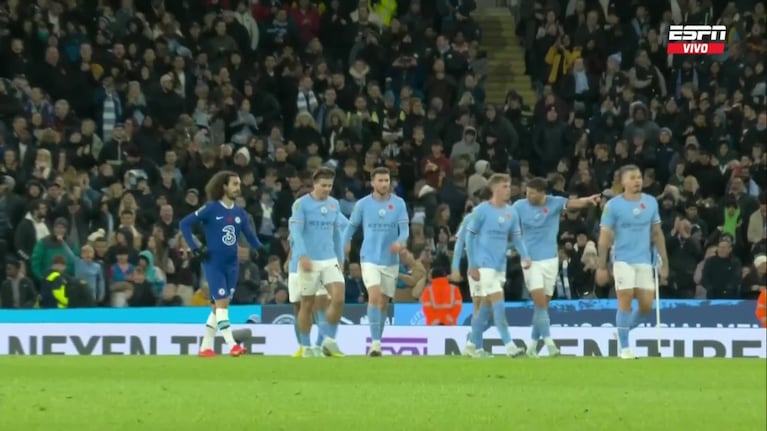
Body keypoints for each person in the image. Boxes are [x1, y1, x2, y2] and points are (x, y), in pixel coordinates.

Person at [512, 177, 601, 357]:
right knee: (539, 302)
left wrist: (587, 201)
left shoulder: (554, 203)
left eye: (532, 193)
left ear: (542, 193)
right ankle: (550, 345)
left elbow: (573, 203)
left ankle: (532, 347)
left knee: (542, 305)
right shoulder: (519, 206)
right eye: (527, 192)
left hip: (551, 261)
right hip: (530, 261)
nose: (528, 196)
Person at [179, 171, 263, 358]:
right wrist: (195, 247)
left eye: (239, 184)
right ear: (224, 187)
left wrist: (260, 249)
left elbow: (249, 235)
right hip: (214, 263)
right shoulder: (211, 209)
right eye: (234, 183)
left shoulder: (239, 212)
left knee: (218, 308)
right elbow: (184, 224)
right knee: (222, 304)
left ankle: (205, 348)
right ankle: (232, 345)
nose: (238, 187)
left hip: (232, 265)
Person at [596, 165, 669, 360]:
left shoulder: (651, 202)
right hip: (622, 260)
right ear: (623, 182)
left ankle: (622, 330)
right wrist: (601, 266)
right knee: (625, 299)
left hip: (644, 260)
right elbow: (604, 236)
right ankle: (625, 349)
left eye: (639, 177)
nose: (638, 180)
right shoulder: (613, 205)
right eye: (633, 177)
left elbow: (657, 233)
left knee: (646, 306)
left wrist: (665, 263)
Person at [342, 167, 409, 357]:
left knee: (383, 302)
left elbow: (404, 230)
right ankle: (375, 343)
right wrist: (345, 243)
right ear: (372, 183)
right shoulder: (362, 205)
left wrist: (400, 241)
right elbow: (351, 226)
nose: (384, 184)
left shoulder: (398, 204)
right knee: (375, 295)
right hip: (369, 257)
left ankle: (378, 341)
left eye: (386, 180)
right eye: (380, 180)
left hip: (390, 260)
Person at [465, 173, 530, 358]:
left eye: (509, 186)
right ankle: (510, 346)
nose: (508, 189)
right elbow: (469, 236)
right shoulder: (481, 210)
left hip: (500, 265)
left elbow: (517, 237)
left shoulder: (511, 212)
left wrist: (525, 256)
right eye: (504, 186)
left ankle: (472, 345)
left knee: (486, 307)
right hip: (484, 264)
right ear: (494, 189)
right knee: (498, 304)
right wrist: (472, 264)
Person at [289, 167, 347, 358]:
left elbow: (337, 233)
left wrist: (340, 258)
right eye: (323, 185)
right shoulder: (301, 205)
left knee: (338, 298)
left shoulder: (334, 205)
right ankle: (306, 346)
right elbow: (296, 233)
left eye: (330, 185)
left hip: (329, 259)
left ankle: (328, 341)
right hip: (309, 260)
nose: (327, 189)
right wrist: (302, 255)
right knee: (307, 304)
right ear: (314, 184)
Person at [450, 188, 491, 356]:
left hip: (492, 268)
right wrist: (454, 268)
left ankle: (472, 342)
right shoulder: (471, 218)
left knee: (488, 308)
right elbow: (459, 244)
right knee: (480, 305)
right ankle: (476, 347)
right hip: (477, 268)